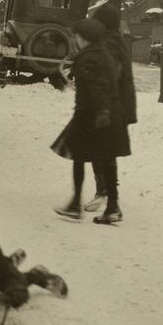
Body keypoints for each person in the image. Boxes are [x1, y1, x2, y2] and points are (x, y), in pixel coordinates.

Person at [51, 17, 128, 223]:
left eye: (76, 35)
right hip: (112, 113)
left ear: (83, 38)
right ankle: (112, 206)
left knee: (79, 156)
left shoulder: (88, 58)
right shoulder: (104, 55)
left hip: (90, 114)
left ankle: (76, 205)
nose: (74, 39)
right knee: (107, 158)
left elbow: (97, 86)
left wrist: (101, 111)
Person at [89, 4, 136, 221]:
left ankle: (108, 198)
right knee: (104, 151)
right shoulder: (115, 42)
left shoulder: (108, 44)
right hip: (116, 105)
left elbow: (110, 75)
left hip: (109, 106)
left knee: (102, 151)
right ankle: (109, 200)